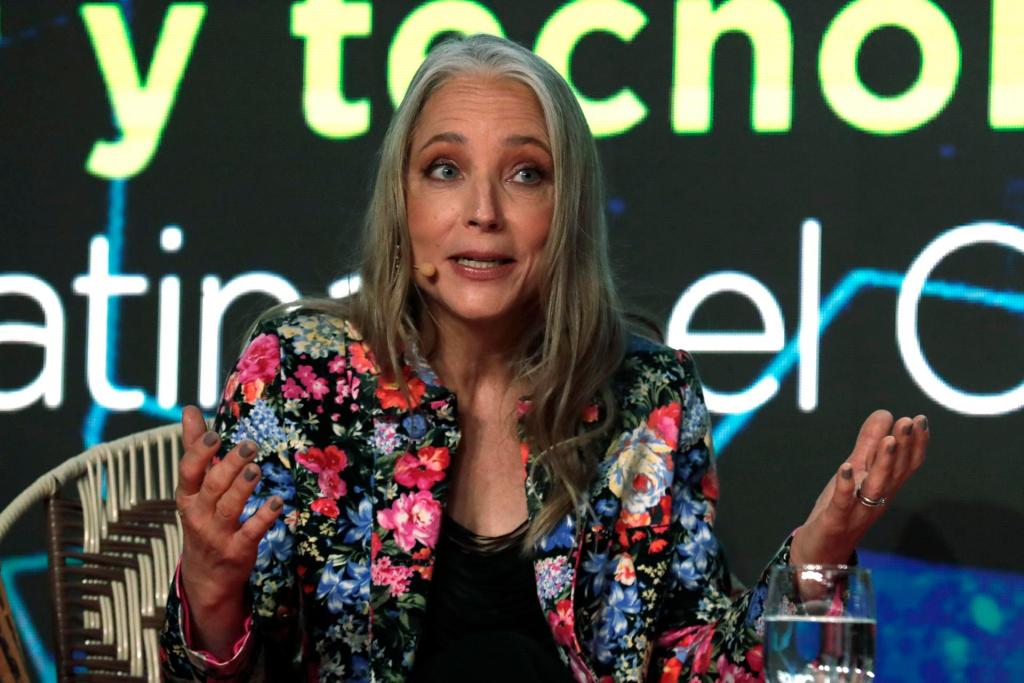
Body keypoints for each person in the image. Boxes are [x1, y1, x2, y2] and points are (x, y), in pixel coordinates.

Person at [159, 34, 928, 682]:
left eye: (526, 173)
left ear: (566, 214)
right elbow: (236, 668)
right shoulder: (299, 371)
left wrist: (816, 554)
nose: (484, 211)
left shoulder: (647, 397)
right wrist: (212, 588)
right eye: (445, 169)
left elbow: (692, 664)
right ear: (403, 206)